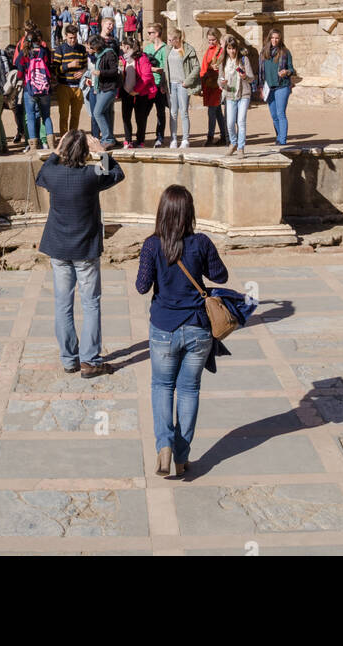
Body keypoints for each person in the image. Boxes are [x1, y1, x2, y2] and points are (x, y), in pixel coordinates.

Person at [136, 184, 228, 477]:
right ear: (189, 212)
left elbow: (141, 286)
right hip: (198, 329)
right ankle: (181, 456)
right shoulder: (201, 242)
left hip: (163, 327)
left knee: (162, 387)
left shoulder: (152, 245)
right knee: (189, 390)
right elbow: (221, 275)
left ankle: (163, 446)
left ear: (162, 212)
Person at [37, 129, 125, 377]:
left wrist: (56, 152)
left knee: (63, 304)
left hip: (59, 248)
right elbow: (117, 173)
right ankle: (90, 359)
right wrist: (101, 152)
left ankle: (68, 359)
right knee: (90, 304)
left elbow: (42, 173)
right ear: (85, 152)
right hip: (85, 249)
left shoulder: (53, 172)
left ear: (64, 150)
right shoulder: (91, 174)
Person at [14, 24, 55, 153]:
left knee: (31, 116)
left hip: (29, 89)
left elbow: (20, 73)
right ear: (39, 40)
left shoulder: (24, 53)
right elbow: (49, 67)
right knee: (46, 116)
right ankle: (51, 145)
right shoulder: (45, 52)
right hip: (44, 89)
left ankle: (33, 146)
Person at [219, 35, 255, 156]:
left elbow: (251, 78)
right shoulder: (223, 62)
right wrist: (222, 82)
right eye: (229, 48)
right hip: (229, 94)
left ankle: (240, 147)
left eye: (233, 48)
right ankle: (233, 143)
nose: (232, 51)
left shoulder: (244, 60)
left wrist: (245, 77)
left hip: (244, 93)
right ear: (226, 49)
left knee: (241, 121)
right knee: (229, 123)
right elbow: (220, 79)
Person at [165, 29, 200, 149]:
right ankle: (173, 139)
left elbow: (196, 67)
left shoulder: (188, 49)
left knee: (184, 111)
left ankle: (185, 139)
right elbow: (165, 67)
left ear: (177, 39)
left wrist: (187, 81)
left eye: (170, 40)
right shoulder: (168, 50)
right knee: (172, 112)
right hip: (171, 84)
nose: (168, 42)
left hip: (182, 84)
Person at [260, 28, 295, 146]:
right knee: (274, 116)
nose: (274, 40)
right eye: (272, 37)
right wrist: (261, 88)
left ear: (280, 39)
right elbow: (261, 72)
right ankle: (279, 137)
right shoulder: (264, 52)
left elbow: (292, 69)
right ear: (269, 38)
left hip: (282, 86)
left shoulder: (285, 52)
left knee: (281, 114)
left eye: (277, 38)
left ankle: (282, 141)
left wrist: (286, 71)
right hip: (268, 88)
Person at [119, 34, 156, 148]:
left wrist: (136, 90)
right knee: (126, 117)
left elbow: (147, 76)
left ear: (127, 47)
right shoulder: (123, 58)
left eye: (123, 46)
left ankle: (140, 140)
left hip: (140, 93)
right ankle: (128, 140)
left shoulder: (142, 58)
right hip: (126, 92)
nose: (121, 48)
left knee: (140, 118)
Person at [52, 23, 88, 135]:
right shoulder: (60, 49)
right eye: (71, 38)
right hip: (64, 86)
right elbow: (55, 70)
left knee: (75, 116)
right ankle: (64, 138)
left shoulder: (82, 49)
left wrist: (83, 72)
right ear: (66, 36)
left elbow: (86, 66)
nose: (73, 40)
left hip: (78, 88)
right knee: (63, 115)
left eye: (75, 38)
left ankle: (72, 138)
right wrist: (69, 66)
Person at [88, 33, 119, 148]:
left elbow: (114, 71)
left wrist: (101, 73)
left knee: (97, 112)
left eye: (92, 47)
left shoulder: (109, 53)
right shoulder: (100, 55)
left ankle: (108, 138)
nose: (91, 49)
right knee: (106, 113)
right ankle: (109, 138)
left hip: (109, 88)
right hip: (102, 87)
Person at [200, 28, 229, 147]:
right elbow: (203, 68)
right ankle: (224, 137)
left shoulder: (222, 51)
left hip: (217, 85)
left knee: (211, 111)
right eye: (209, 40)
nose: (211, 42)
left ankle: (210, 137)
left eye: (213, 40)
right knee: (217, 112)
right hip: (209, 84)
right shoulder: (208, 51)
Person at [144, 21, 169, 148]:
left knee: (160, 113)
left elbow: (166, 68)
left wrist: (164, 85)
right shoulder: (147, 48)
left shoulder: (166, 49)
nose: (148, 35)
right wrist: (152, 69)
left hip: (159, 85)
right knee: (144, 112)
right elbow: (143, 65)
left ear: (157, 33)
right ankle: (141, 137)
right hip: (148, 85)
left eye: (150, 33)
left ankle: (160, 138)